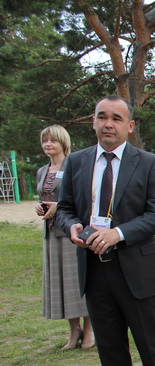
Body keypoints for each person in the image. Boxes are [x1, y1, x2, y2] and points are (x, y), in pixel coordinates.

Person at [56, 95, 155, 366]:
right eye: (102, 117)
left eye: (116, 118)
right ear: (93, 122)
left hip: (134, 270)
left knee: (151, 345)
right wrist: (72, 228)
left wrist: (118, 233)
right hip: (94, 270)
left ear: (130, 126)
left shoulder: (148, 163)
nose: (108, 123)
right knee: (110, 345)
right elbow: (65, 209)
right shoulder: (78, 162)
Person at [36, 125, 93, 350]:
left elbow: (83, 198)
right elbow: (44, 197)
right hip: (51, 234)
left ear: (63, 142)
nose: (48, 144)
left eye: (52, 140)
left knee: (78, 281)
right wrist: (40, 209)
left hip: (72, 232)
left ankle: (89, 330)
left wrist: (58, 207)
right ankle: (74, 330)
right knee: (61, 283)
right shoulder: (42, 171)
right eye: (45, 141)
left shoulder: (75, 165)